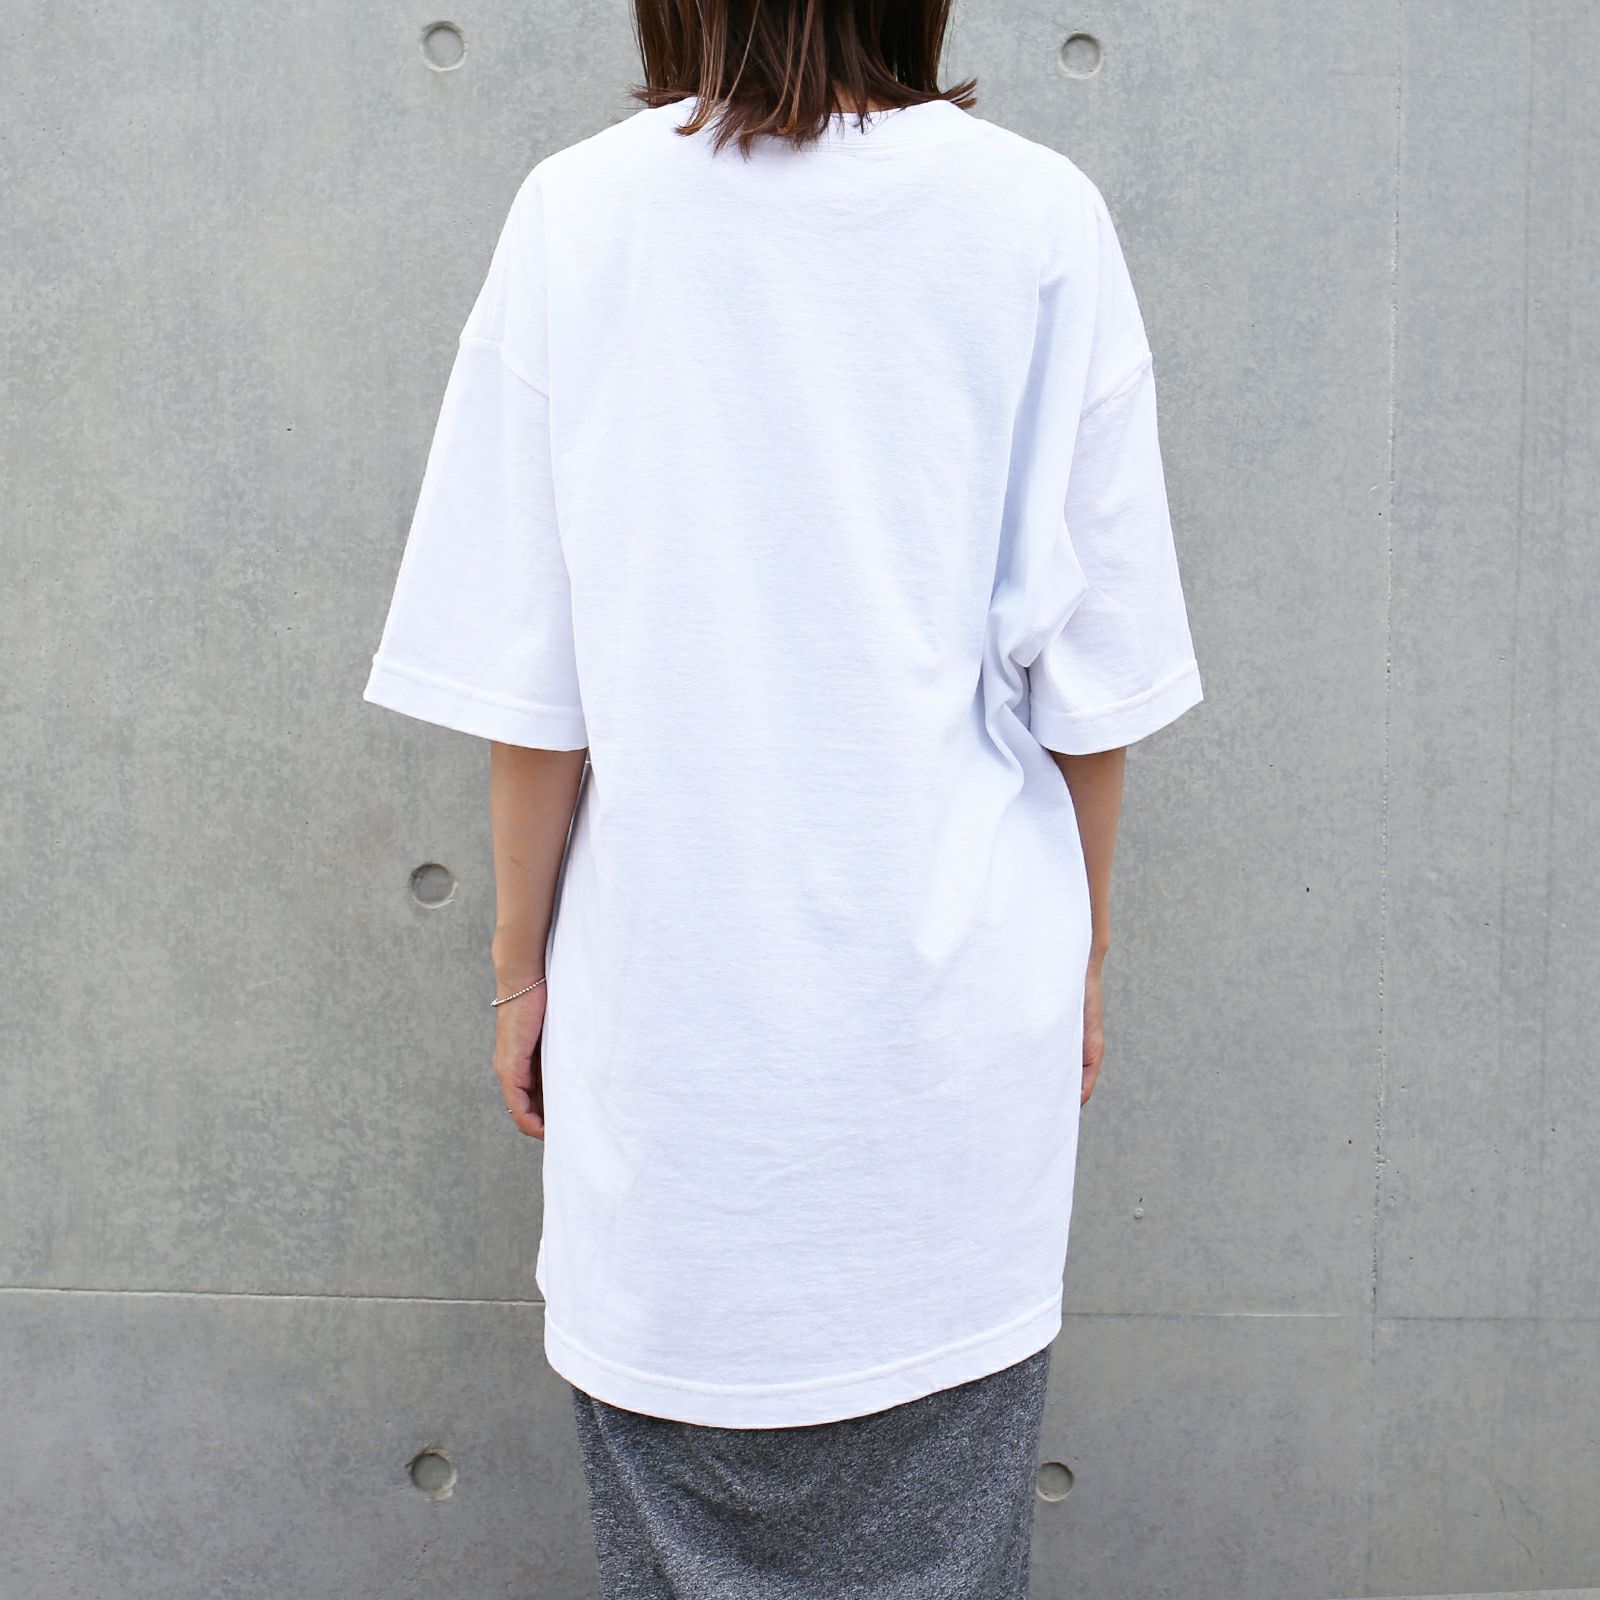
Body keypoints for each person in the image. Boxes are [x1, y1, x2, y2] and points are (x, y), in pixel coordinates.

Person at [361, 3, 1203, 1593]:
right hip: (953, 1060)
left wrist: (521, 973)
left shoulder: (577, 215)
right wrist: (1083, 957)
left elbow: (534, 691)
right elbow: (1095, 686)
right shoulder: (1037, 217)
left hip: (676, 1074)